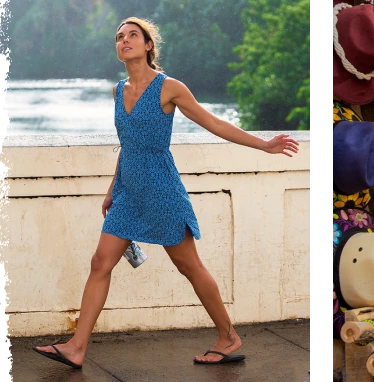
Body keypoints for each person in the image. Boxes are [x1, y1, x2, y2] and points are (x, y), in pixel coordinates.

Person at [33, 17, 300, 368]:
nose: (124, 40)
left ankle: (228, 336)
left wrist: (264, 145)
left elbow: (214, 123)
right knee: (101, 262)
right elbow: (128, 144)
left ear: (147, 46)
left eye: (132, 35)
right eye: (119, 37)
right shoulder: (118, 91)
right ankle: (77, 346)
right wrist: (113, 189)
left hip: (161, 187)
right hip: (128, 191)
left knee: (188, 266)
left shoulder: (168, 87)